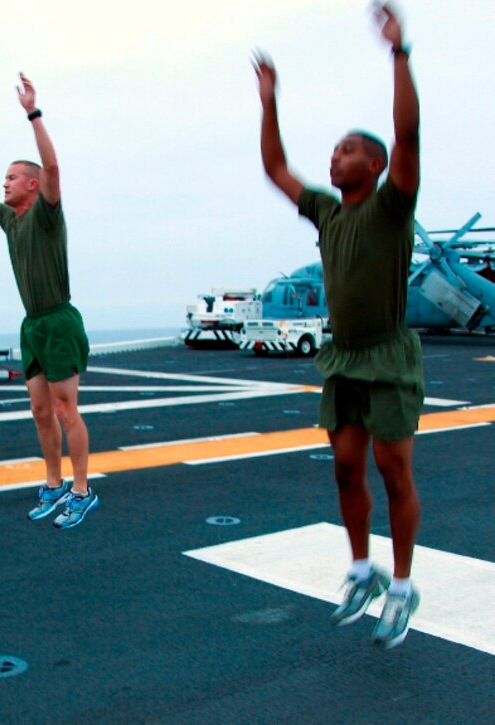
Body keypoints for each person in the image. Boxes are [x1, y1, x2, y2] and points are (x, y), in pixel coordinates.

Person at [254, 3, 422, 648]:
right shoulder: (326, 211)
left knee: (393, 471)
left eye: (347, 150)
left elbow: (407, 134)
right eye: (333, 151)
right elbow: (275, 168)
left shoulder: (391, 205)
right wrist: (270, 102)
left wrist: (398, 53)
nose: (335, 158)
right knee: (346, 470)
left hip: (388, 355)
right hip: (343, 357)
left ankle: (404, 587)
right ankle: (362, 570)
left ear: (375, 166)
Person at [0, 73, 96, 529]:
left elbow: (54, 167)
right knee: (40, 410)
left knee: (67, 410)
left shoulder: (47, 214)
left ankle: (83, 490)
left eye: (11, 178)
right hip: (33, 325)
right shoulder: (10, 220)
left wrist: (33, 112)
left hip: (60, 320)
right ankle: (53, 484)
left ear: (32, 184)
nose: (3, 184)